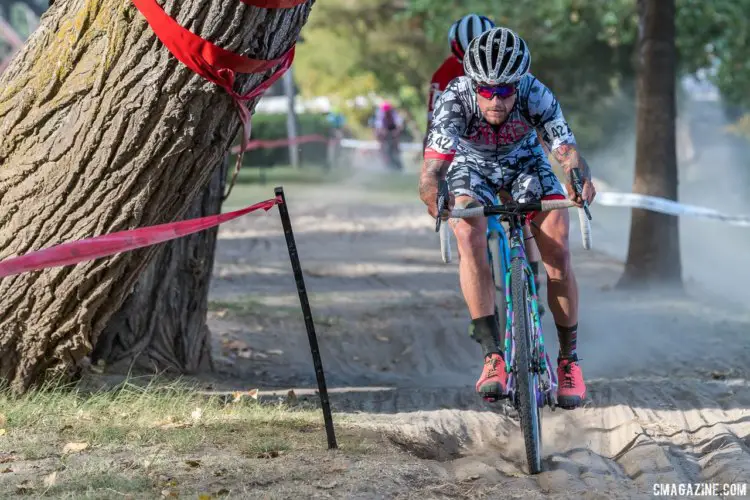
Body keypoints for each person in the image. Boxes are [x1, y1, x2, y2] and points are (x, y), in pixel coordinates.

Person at [418, 27, 596, 409]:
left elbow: (565, 149)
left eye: (504, 91)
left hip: (526, 164)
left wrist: (578, 179)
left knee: (559, 250)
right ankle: (493, 356)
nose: (495, 100)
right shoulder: (455, 99)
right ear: (473, 84)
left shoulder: (536, 93)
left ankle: (568, 361)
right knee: (468, 234)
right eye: (486, 90)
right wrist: (435, 194)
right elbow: (432, 172)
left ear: (519, 83)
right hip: (472, 166)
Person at [424, 13, 548, 317]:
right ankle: (487, 301)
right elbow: (435, 124)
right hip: (464, 149)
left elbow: (533, 111)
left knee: (524, 210)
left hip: (509, 147)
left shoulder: (505, 64)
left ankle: (531, 279)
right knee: (470, 223)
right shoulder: (446, 75)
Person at [373, 101, 405, 171]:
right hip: (384, 130)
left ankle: (397, 151)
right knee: (380, 138)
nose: (386, 113)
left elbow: (399, 125)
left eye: (388, 111)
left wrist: (396, 131)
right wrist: (381, 135)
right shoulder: (380, 114)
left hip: (392, 128)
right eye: (385, 112)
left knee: (396, 138)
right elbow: (379, 127)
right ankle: (383, 155)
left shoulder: (394, 114)